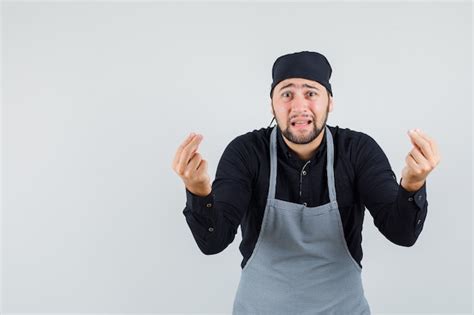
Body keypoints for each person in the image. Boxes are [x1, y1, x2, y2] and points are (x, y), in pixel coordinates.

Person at [172, 51, 441, 314]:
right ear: (272, 104)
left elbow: (402, 234)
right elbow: (213, 242)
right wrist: (199, 191)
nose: (299, 106)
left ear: (330, 102)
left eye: (311, 93)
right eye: (287, 93)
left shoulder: (358, 151)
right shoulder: (246, 153)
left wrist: (413, 184)